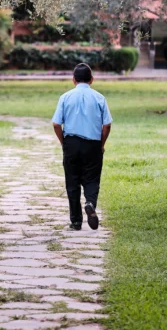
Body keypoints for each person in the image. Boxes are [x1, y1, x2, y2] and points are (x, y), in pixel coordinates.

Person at [51, 63, 112, 230]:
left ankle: (76, 221)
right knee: (92, 179)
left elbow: (56, 124)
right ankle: (90, 202)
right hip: (93, 144)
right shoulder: (100, 98)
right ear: (92, 80)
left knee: (72, 182)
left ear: (73, 80)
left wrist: (64, 143)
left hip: (71, 143)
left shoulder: (65, 97)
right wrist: (101, 144)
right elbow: (107, 125)